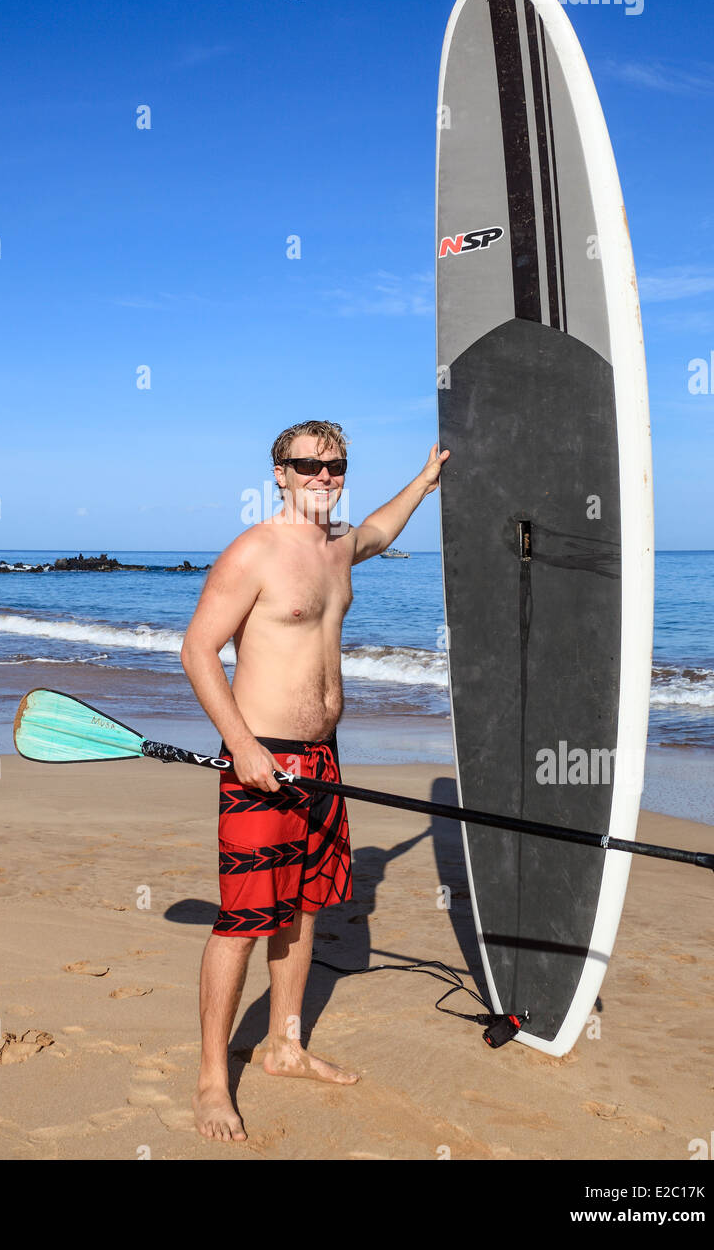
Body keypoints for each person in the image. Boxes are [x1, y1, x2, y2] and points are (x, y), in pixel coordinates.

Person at [180, 420, 449, 1142]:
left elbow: (381, 532)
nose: (323, 478)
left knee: (303, 909)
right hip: (261, 761)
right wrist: (239, 745)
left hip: (323, 761)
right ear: (279, 472)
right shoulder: (254, 552)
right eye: (308, 466)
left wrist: (425, 480)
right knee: (243, 920)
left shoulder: (337, 548)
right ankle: (211, 1079)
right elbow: (198, 650)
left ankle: (284, 1046)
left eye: (334, 467)